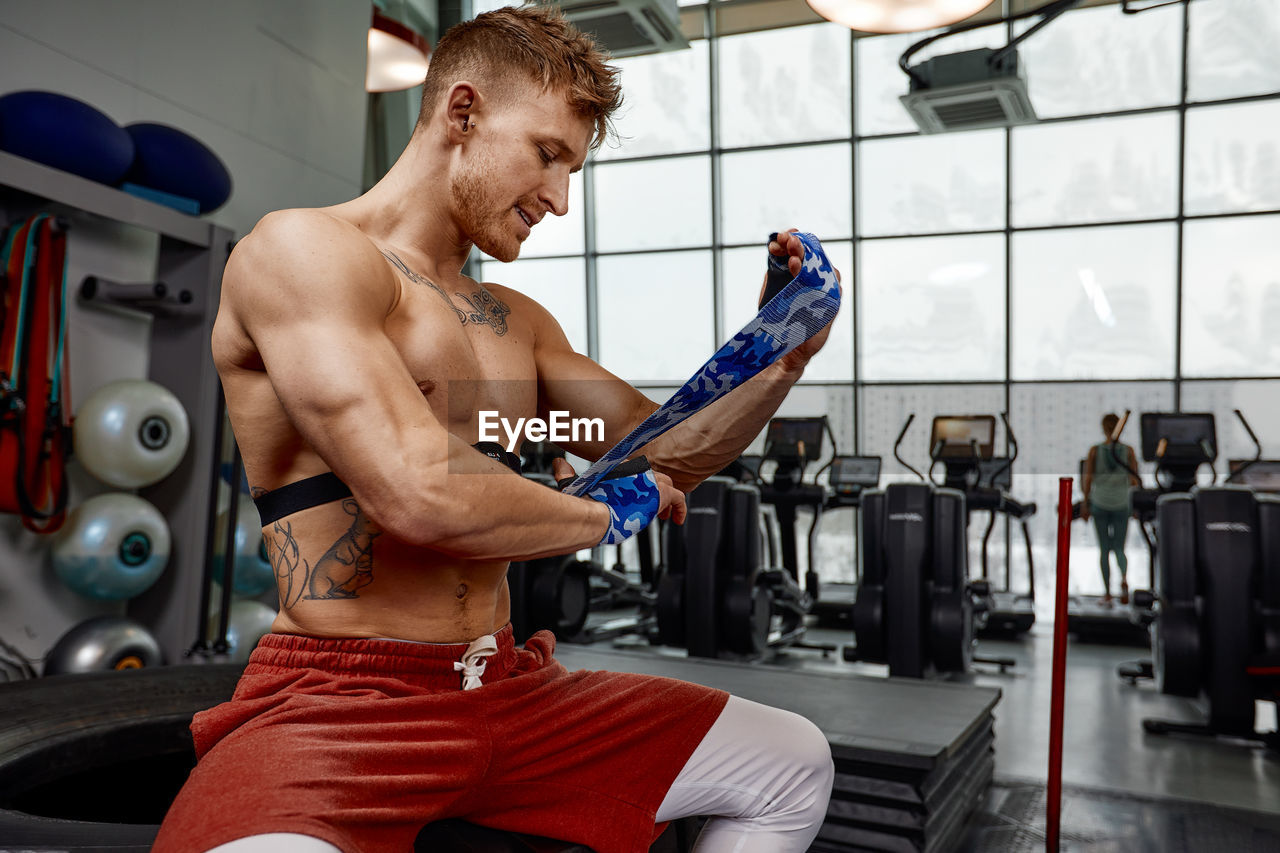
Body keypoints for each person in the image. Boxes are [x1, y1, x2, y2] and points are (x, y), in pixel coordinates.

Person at [153, 7, 839, 853]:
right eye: (548, 154)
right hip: (344, 699)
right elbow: (416, 490)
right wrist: (605, 511)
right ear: (463, 113)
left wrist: (772, 357)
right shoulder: (306, 253)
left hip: (506, 685)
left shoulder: (518, 321)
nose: (558, 197)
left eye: (572, 168)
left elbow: (663, 452)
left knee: (790, 761)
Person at [1082, 413, 1141, 605]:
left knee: (1104, 550)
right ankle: (1123, 579)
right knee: (1119, 548)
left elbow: (1088, 479)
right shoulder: (1129, 451)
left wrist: (1085, 503)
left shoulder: (1094, 451)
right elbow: (1135, 479)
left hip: (1100, 503)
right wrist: (1137, 504)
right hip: (1122, 503)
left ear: (1103, 428)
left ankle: (1107, 593)